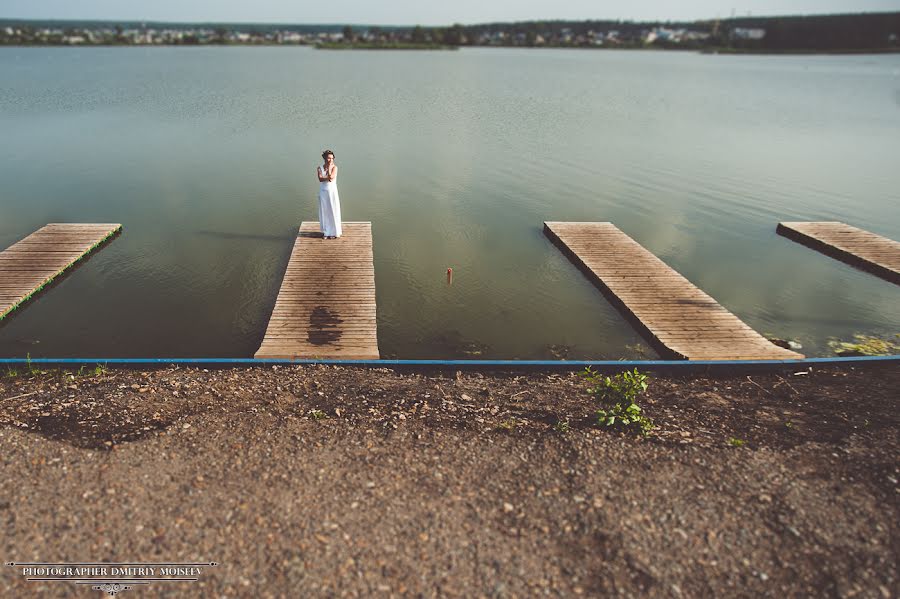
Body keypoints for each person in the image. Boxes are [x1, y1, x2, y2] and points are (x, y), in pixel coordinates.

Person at [317, 150, 342, 239]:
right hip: (323, 191)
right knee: (325, 211)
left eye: (332, 158)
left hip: (332, 191)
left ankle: (335, 232)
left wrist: (328, 170)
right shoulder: (319, 167)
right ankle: (326, 232)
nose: (331, 160)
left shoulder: (335, 167)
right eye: (328, 158)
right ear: (324, 158)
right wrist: (327, 177)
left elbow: (331, 177)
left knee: (333, 210)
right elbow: (320, 179)